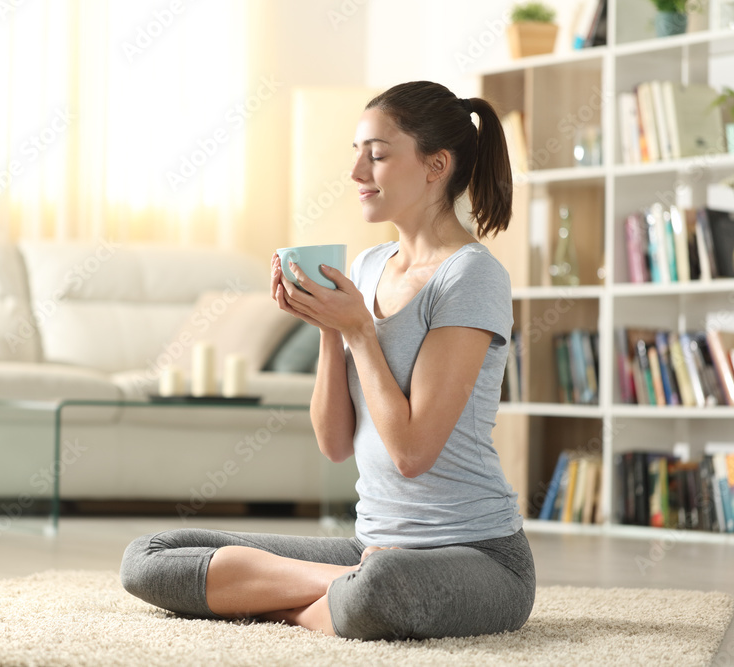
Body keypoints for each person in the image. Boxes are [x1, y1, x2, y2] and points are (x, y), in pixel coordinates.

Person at [121, 80, 535, 641]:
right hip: (369, 545)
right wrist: (326, 327)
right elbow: (335, 443)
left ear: (436, 165)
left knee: (382, 587)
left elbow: (413, 453)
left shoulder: (471, 276)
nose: (357, 173)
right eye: (357, 154)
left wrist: (360, 331)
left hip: (477, 556)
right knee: (151, 556)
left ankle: (282, 595)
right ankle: (331, 589)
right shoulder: (366, 267)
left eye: (378, 155)